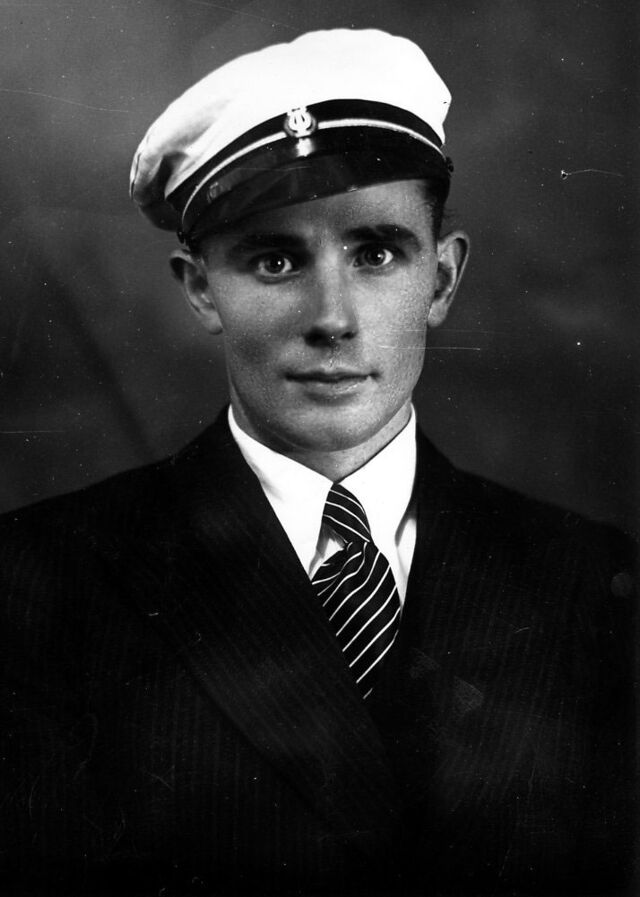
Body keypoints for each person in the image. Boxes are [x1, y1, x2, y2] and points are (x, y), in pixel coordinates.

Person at [0, 28, 634, 897]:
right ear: (199, 287)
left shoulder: (595, 585)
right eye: (275, 259)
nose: (332, 317)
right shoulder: (37, 585)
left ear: (442, 279)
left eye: (377, 253)